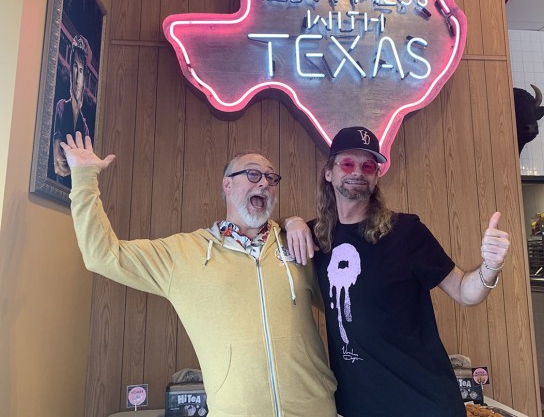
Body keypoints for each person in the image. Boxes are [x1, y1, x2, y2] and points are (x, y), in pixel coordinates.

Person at [61, 132, 337, 417]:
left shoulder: (298, 244)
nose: (265, 183)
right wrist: (83, 178)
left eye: (271, 178)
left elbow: (345, 309)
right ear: (227, 184)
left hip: (315, 409)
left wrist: (294, 222)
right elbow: (102, 255)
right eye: (254, 174)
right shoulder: (184, 254)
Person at [286, 126, 511, 417]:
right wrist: (291, 221)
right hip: (358, 405)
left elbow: (465, 292)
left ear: (376, 175)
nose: (358, 172)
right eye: (347, 163)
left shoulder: (406, 231)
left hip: (423, 402)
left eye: (368, 165)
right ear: (329, 172)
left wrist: (491, 266)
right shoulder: (317, 237)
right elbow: (272, 233)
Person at [52, 34, 91, 183]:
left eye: (81, 70)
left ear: (84, 78)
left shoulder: (85, 127)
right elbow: (59, 167)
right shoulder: (62, 106)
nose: (76, 76)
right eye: (74, 66)